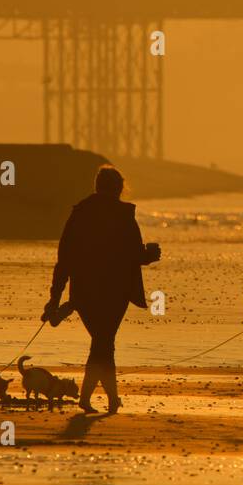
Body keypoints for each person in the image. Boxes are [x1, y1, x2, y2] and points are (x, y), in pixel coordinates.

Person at [45, 165, 161, 415]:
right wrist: (150, 255)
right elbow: (134, 255)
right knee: (104, 342)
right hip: (115, 291)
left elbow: (64, 258)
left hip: (84, 293)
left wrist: (54, 297)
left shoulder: (80, 213)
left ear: (97, 186)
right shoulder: (123, 215)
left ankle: (102, 400)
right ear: (119, 188)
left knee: (102, 342)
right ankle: (99, 400)